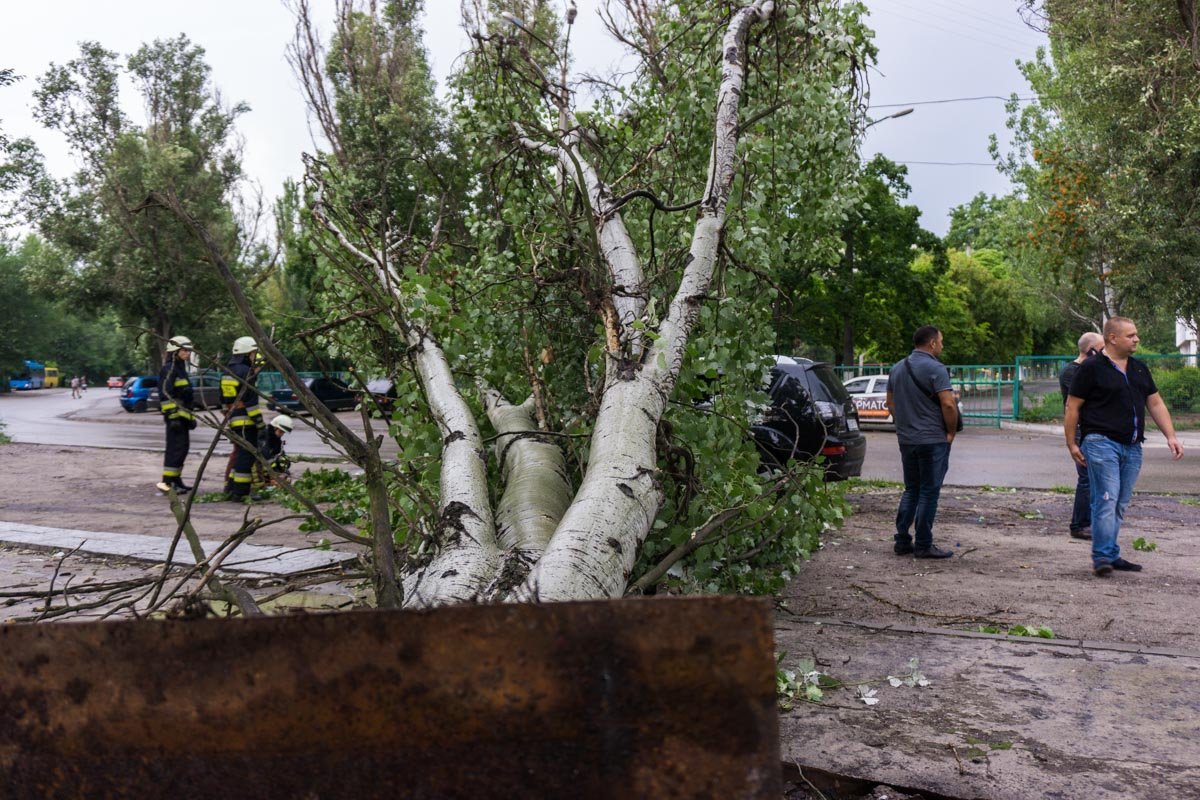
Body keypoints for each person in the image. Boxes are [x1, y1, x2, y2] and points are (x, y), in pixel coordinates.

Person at [1064, 316, 1184, 576]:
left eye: (1136, 334)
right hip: (1100, 443)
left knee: (1119, 503)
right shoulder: (1091, 368)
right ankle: (1102, 557)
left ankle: (1111, 553)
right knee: (1106, 499)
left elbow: (1155, 403)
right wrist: (1071, 443)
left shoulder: (1139, 368)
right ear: (1112, 338)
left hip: (1132, 446)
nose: (1137, 339)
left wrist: (1171, 436)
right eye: (1131, 335)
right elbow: (1073, 406)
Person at [886, 325, 960, 559]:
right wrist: (950, 432)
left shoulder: (897, 368)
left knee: (912, 489)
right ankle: (924, 544)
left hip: (907, 440)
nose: (942, 345)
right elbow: (948, 404)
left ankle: (902, 541)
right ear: (931, 344)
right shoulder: (936, 369)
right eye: (941, 341)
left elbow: (890, 403)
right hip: (932, 439)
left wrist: (905, 424)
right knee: (929, 491)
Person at [1059, 331, 1105, 541]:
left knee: (1096, 479)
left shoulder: (1095, 368)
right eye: (1102, 348)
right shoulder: (1072, 371)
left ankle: (1092, 521)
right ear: (1091, 350)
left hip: (1094, 429)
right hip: (1081, 430)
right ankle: (1079, 524)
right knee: (1086, 478)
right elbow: (1084, 400)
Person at [221, 336, 266, 501]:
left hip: (233, 418)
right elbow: (251, 402)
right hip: (247, 420)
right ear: (247, 354)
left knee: (240, 453)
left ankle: (232, 488)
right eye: (254, 353)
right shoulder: (246, 372)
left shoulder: (227, 371)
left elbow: (223, 400)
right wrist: (260, 424)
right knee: (247, 456)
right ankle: (241, 492)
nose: (255, 357)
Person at [156, 336, 197, 494]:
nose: (187, 353)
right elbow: (165, 394)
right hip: (175, 419)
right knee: (175, 449)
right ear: (175, 352)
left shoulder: (180, 369)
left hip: (183, 418)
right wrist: (173, 417)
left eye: (188, 350)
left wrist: (190, 418)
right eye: (184, 350)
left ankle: (176, 479)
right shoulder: (169, 369)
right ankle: (168, 482)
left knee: (183, 449)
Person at [258, 415, 294, 485]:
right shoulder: (262, 438)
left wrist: (285, 470)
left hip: (269, 472)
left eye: (283, 432)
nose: (282, 435)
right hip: (259, 472)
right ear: (274, 428)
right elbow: (265, 458)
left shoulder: (277, 441)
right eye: (280, 432)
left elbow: (281, 457)